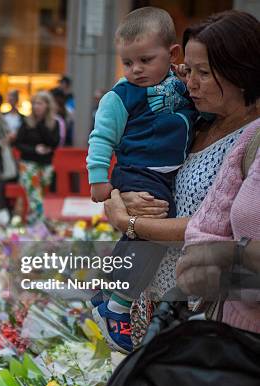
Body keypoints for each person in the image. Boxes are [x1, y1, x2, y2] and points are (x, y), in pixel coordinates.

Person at [103, 10, 259, 349]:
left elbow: (217, 228)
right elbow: (145, 171)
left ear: (241, 73)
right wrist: (122, 196)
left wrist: (129, 222)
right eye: (188, 70)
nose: (191, 82)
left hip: (205, 310)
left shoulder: (252, 138)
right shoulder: (193, 119)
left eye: (203, 72)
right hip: (155, 298)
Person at [86, 7, 198, 353]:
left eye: (145, 60)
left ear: (173, 54)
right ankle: (117, 304)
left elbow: (203, 114)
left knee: (140, 233)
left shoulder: (181, 87)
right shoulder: (120, 96)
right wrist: (99, 181)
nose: (135, 70)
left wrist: (185, 75)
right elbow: (101, 138)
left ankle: (107, 291)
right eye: (128, 62)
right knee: (149, 229)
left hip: (165, 174)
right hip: (139, 171)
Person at [177, 118, 259, 332]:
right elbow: (204, 230)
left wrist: (233, 254)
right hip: (234, 341)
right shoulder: (254, 136)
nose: (191, 84)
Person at [13, 91, 61, 224]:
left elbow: (54, 142)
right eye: (34, 103)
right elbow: (18, 143)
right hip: (28, 162)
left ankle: (31, 221)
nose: (36, 106)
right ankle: (39, 224)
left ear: (47, 105)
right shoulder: (26, 122)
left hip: (46, 163)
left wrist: (42, 125)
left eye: (39, 103)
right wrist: (35, 149)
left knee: (39, 195)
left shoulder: (54, 123)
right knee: (35, 195)